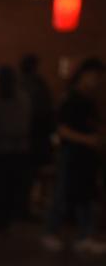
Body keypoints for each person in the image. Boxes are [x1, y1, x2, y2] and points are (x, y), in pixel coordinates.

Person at [42, 57, 106, 254]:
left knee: (86, 196)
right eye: (94, 76)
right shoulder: (71, 99)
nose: (97, 81)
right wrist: (87, 140)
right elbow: (62, 130)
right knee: (62, 194)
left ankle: (85, 235)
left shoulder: (89, 100)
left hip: (87, 156)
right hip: (71, 154)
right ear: (84, 75)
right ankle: (51, 232)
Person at [0, 65, 31, 233]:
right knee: (13, 187)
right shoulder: (23, 98)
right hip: (19, 148)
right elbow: (26, 123)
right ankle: (9, 218)